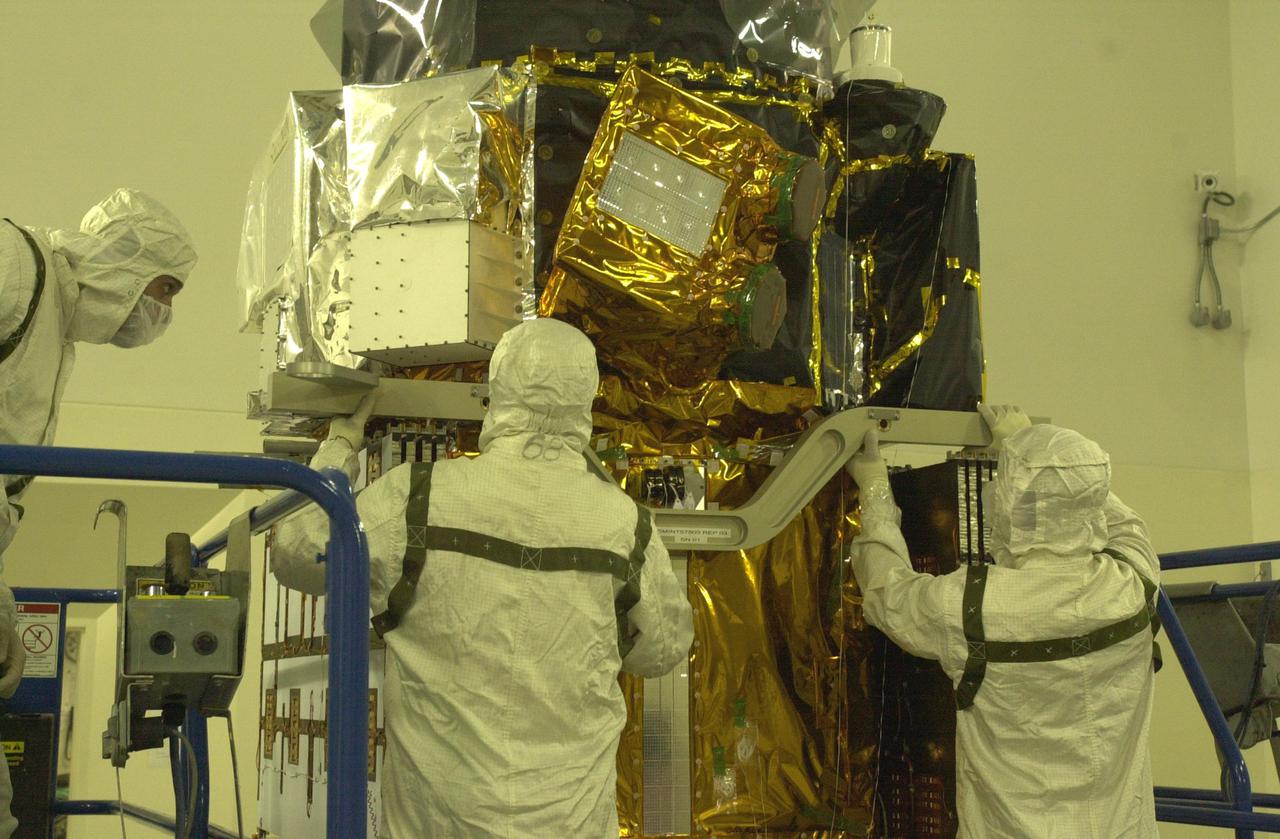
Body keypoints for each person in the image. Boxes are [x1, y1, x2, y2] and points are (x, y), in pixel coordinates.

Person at [273, 318, 693, 838]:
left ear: (496, 392)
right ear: (587, 399)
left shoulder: (418, 499)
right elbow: (662, 651)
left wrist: (339, 446)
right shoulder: (625, 524)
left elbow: (296, 554)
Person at [847, 404, 1160, 838]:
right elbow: (1108, 511)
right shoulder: (1133, 584)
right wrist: (1025, 445)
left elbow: (887, 592)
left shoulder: (970, 604)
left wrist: (875, 487)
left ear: (1011, 503)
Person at [0, 189, 197, 838]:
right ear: (125, 260)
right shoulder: (17, 265)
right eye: (163, 288)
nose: (162, 311)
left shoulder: (55, 335)